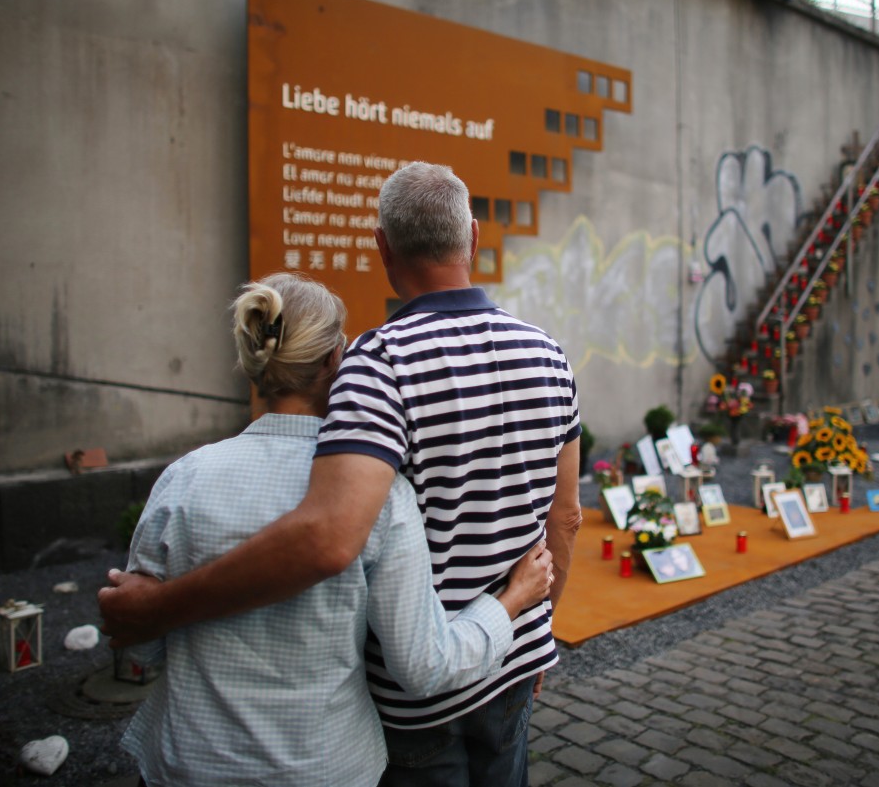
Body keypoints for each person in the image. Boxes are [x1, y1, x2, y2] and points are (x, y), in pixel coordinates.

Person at [100, 161, 583, 787]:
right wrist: (538, 627)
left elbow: (331, 537)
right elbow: (564, 516)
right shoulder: (548, 354)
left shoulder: (378, 362)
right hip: (513, 657)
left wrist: (158, 608)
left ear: (381, 245)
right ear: (474, 238)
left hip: (415, 704)